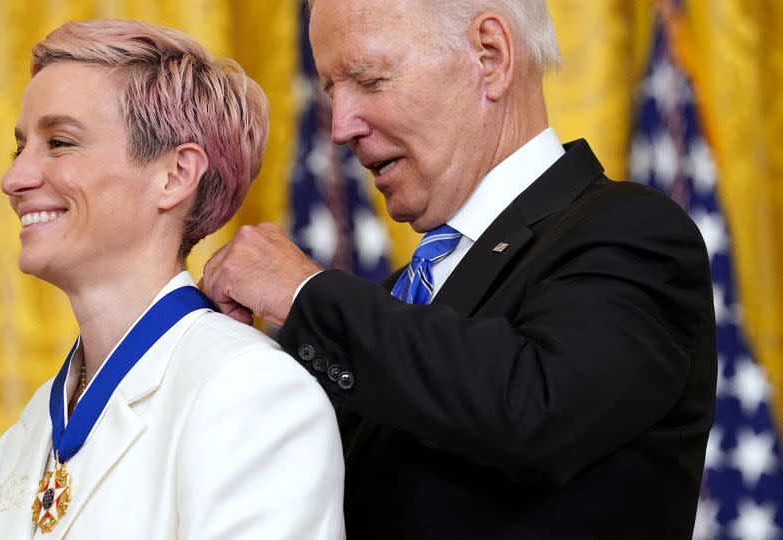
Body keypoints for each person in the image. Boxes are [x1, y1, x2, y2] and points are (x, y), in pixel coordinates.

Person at [200, 0, 717, 538]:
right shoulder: (395, 304)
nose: (341, 127)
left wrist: (305, 293)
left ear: (489, 56)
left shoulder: (631, 233)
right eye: (333, 91)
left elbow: (534, 411)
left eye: (369, 80)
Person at [0, 19, 344, 539]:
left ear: (175, 176)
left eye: (59, 142)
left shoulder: (250, 391)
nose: (14, 179)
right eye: (20, 148)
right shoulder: (27, 432)